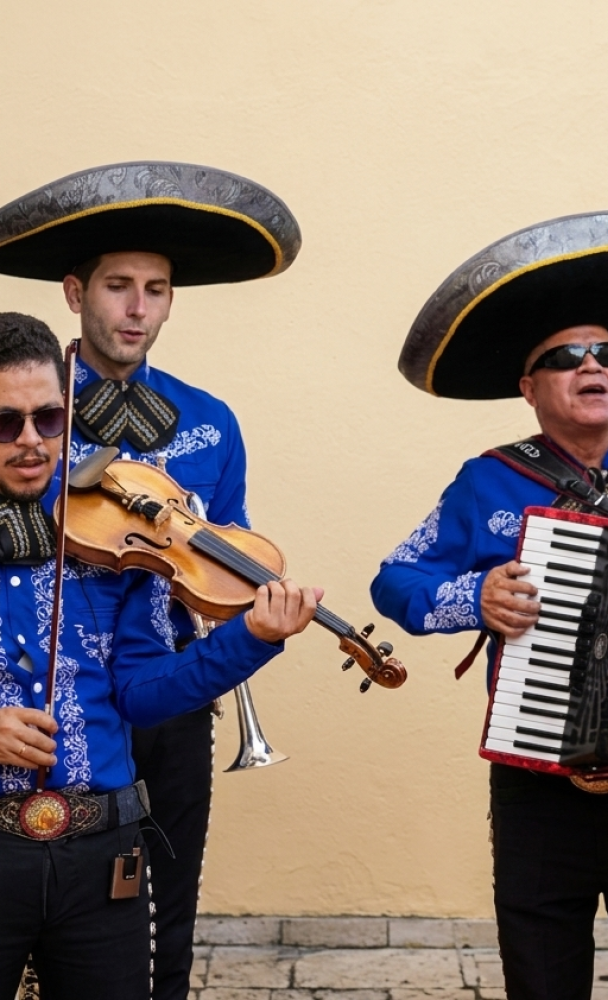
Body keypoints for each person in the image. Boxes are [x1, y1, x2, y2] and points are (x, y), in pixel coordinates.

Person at [371, 211, 608, 1000]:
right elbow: (395, 582)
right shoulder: (489, 482)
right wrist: (477, 596)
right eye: (565, 358)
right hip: (539, 791)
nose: (592, 366)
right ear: (528, 387)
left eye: (607, 354)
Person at [0, 161, 302, 1000]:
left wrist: (242, 612)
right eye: (119, 287)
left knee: (161, 903)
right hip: (46, 688)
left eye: (157, 290)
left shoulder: (208, 421)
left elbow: (218, 543)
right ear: (75, 293)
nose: (138, 308)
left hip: (158, 679)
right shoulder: (34, 400)